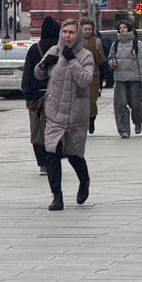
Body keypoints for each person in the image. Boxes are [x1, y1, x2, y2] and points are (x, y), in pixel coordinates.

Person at [34, 19, 94, 211]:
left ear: (78, 35)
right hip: (54, 113)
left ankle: (84, 180)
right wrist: (44, 65)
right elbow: (38, 74)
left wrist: (73, 61)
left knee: (75, 155)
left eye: (71, 32)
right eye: (65, 32)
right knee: (52, 152)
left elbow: (85, 80)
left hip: (76, 115)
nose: (67, 36)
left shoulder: (86, 56)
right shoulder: (54, 51)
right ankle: (57, 196)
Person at [21, 15, 60, 176]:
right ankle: (54, 159)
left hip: (37, 96)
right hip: (58, 95)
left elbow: (27, 75)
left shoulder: (34, 49)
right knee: (55, 128)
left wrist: (27, 96)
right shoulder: (61, 49)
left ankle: (43, 163)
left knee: (37, 130)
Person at [108, 20, 142, 138]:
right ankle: (123, 130)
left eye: (124, 27)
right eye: (120, 28)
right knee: (120, 104)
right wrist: (112, 63)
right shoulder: (115, 44)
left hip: (135, 79)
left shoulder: (137, 44)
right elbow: (110, 58)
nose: (122, 29)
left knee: (135, 104)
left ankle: (138, 121)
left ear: (129, 29)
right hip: (120, 79)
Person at [80, 16, 106, 133]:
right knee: (80, 102)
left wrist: (99, 50)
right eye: (85, 29)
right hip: (78, 75)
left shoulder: (96, 41)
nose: (87, 31)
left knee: (91, 101)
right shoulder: (76, 41)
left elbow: (100, 61)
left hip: (93, 76)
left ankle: (91, 119)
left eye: (89, 29)